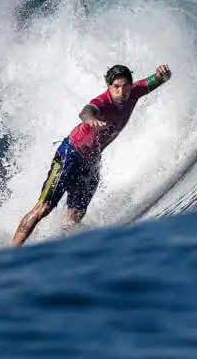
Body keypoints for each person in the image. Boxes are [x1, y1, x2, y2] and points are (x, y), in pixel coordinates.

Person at [12, 63, 173, 246]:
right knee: (43, 209)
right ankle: (12, 254)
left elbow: (156, 80)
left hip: (91, 161)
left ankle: (59, 251)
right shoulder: (103, 101)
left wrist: (163, 75)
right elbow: (85, 111)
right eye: (116, 87)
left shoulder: (134, 91)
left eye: (125, 86)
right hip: (70, 155)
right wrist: (92, 121)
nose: (122, 92)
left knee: (75, 216)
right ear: (109, 87)